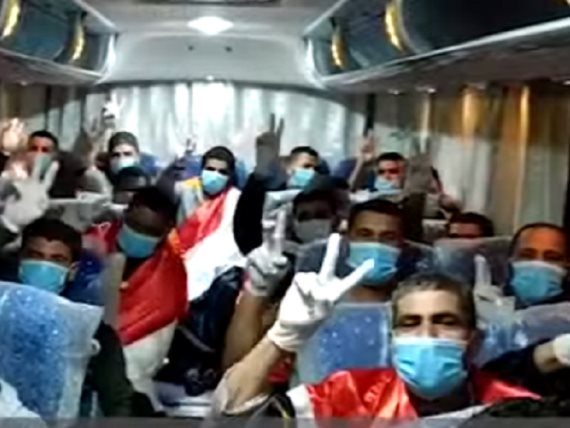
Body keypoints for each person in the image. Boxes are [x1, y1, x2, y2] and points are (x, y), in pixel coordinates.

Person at [213, 256, 537, 419]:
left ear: (474, 340)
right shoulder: (350, 395)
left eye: (446, 321)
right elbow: (229, 417)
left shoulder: (515, 408)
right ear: (392, 340)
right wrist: (283, 337)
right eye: (410, 323)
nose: (427, 335)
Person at [5, 218, 153, 416]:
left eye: (57, 259)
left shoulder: (92, 333)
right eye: (35, 256)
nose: (44, 266)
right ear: (20, 262)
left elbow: (117, 402)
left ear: (72, 271)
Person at [86, 186, 177, 280]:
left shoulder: (171, 264)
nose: (139, 235)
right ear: (125, 213)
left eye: (149, 231)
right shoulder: (94, 241)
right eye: (135, 225)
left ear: (167, 230)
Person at [504, 222, 568, 308]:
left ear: (567, 264)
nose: (538, 263)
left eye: (552, 258)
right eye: (527, 255)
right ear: (511, 259)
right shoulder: (490, 302)